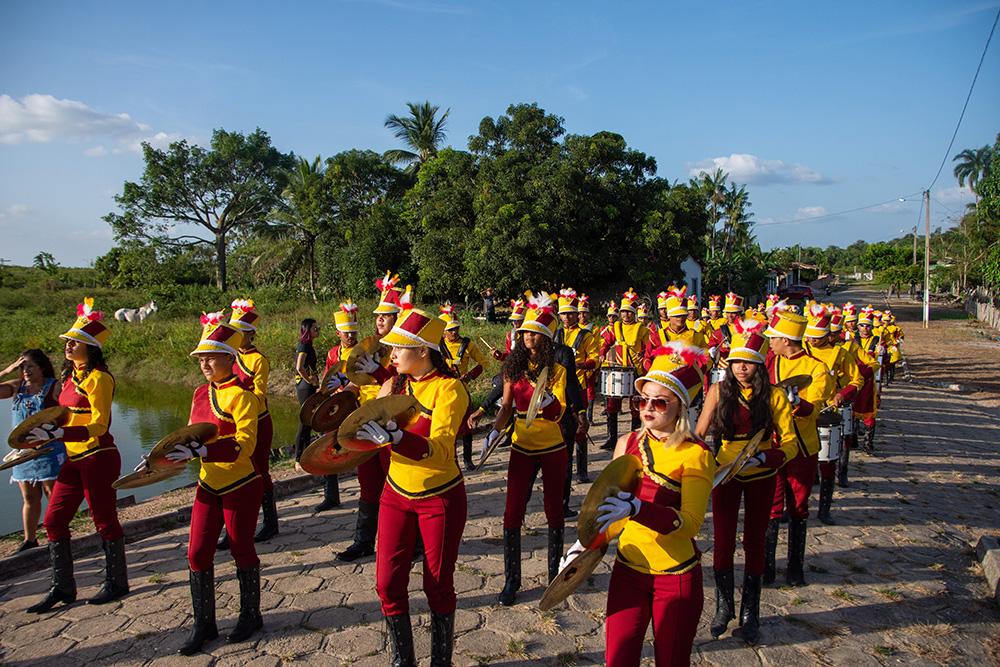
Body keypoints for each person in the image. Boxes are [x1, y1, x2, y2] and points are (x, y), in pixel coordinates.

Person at [572, 348, 715, 666]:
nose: (647, 408)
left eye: (660, 401)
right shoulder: (627, 443)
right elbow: (605, 507)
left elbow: (691, 524)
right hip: (628, 570)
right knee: (618, 659)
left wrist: (638, 509)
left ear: (680, 408)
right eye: (641, 400)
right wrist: (582, 546)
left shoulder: (696, 454)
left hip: (675, 578)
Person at [352, 306, 469, 667]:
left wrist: (399, 437)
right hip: (395, 494)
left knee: (436, 585)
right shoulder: (393, 384)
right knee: (387, 583)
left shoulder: (450, 390)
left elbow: (441, 451)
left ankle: (441, 662)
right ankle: (403, 660)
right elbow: (360, 427)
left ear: (422, 351)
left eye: (399, 348)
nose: (392, 354)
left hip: (440, 498)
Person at [25, 297, 129, 613]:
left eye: (76, 342)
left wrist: (60, 433)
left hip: (99, 456)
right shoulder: (71, 378)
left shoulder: (100, 378)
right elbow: (64, 415)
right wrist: (41, 433)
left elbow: (98, 424)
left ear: (91, 348)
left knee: (104, 519)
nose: (69, 346)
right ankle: (63, 586)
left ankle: (116, 581)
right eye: (69, 341)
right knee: (53, 519)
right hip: (73, 458)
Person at [695, 322, 797, 644]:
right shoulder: (717, 391)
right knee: (722, 541)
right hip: (726, 475)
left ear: (759, 364)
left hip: (761, 475)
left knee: (754, 541)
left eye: (749, 361)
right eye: (737, 361)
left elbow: (791, 441)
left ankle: (751, 613)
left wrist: (768, 458)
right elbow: (699, 435)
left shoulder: (775, 396)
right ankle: (723, 607)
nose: (741, 367)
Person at [168, 312, 263, 654]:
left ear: (229, 357)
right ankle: (204, 625)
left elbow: (245, 446)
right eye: (201, 358)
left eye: (211, 357)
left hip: (241, 484)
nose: (205, 363)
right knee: (196, 552)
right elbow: (191, 434)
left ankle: (251, 615)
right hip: (208, 485)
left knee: (241, 549)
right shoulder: (198, 394)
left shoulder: (243, 396)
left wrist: (205, 450)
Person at [486, 292, 569, 606]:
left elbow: (559, 411)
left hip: (552, 447)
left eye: (535, 332)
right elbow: (506, 406)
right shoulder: (512, 367)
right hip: (521, 447)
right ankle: (512, 580)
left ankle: (553, 576)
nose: (528, 336)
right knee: (512, 512)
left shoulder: (557, 370)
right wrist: (492, 433)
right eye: (524, 332)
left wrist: (549, 402)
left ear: (546, 338)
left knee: (554, 510)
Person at [763, 307, 833, 587]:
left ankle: (795, 568)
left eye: (774, 338)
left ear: (787, 340)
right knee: (771, 506)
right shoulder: (770, 362)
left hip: (802, 447)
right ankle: (767, 568)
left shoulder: (816, 368)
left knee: (799, 506)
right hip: (773, 443)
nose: (770, 342)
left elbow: (814, 409)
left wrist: (795, 402)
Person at [337, 272, 404, 562]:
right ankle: (363, 541)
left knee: (396, 484)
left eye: (386, 316)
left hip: (391, 423)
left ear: (397, 319)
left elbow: (399, 384)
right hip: (366, 424)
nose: (379, 320)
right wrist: (343, 389)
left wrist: (379, 371)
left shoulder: (404, 349)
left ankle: (407, 543)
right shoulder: (368, 348)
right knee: (368, 483)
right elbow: (359, 382)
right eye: (377, 315)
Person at [1, 350, 66, 552]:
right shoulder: (16, 387)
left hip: (48, 448)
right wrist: (6, 370)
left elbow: (69, 410)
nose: (25, 371)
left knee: (51, 494)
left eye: (30, 366)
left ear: (42, 367)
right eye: (22, 367)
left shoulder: (53, 386)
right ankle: (30, 540)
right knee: (29, 497)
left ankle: (58, 535)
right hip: (23, 453)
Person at [802, 304, 863, 524]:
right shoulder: (802, 350)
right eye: (809, 336)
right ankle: (797, 506)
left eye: (816, 337)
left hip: (829, 410)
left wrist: (843, 393)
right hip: (803, 410)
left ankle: (824, 507)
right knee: (801, 462)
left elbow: (858, 379)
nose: (811, 340)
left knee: (828, 461)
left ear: (828, 335)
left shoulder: (841, 353)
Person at [227, 299, 279, 543]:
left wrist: (239, 398)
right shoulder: (227, 357)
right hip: (231, 422)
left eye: (239, 332)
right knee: (231, 472)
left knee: (260, 471)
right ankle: (233, 527)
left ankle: (270, 522)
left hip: (257, 420)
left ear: (249, 334)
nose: (235, 336)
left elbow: (259, 395)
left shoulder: (259, 360)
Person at [554, 289, 599, 483]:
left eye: (571, 313)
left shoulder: (586, 336)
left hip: (578, 385)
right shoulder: (554, 334)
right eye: (563, 313)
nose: (567, 317)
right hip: (556, 388)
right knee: (557, 430)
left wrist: (578, 364)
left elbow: (595, 359)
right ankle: (559, 469)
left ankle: (581, 470)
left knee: (580, 429)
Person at [438, 303, 487, 471]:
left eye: (456, 329)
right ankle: (446, 458)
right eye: (451, 330)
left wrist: (470, 376)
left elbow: (483, 362)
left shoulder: (467, 344)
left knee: (467, 425)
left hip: (462, 389)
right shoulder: (436, 347)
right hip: (443, 391)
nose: (455, 332)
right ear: (443, 332)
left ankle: (467, 459)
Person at [599, 289, 649, 450]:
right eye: (623, 312)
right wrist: (602, 354)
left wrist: (644, 356)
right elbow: (606, 342)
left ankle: (634, 439)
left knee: (635, 406)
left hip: (636, 370)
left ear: (634, 313)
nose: (626, 315)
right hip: (618, 368)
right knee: (612, 404)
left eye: (629, 312)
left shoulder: (642, 329)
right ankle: (612, 438)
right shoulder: (616, 327)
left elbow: (649, 348)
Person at [846, 305, 882, 454]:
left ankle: (868, 443)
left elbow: (878, 362)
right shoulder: (852, 340)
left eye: (868, 326)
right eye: (862, 325)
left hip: (868, 382)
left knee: (868, 411)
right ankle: (853, 438)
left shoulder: (877, 340)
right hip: (853, 379)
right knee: (852, 409)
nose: (865, 328)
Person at [645, 286, 708, 365]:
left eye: (683, 315)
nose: (680, 318)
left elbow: (706, 360)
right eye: (676, 316)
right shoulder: (656, 337)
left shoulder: (697, 337)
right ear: (669, 316)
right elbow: (647, 359)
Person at [293, 318, 321, 465]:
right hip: (305, 386)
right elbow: (299, 367)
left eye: (318, 328)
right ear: (307, 330)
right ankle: (298, 457)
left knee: (309, 420)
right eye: (315, 328)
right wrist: (310, 380)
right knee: (304, 420)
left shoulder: (307, 345)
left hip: (307, 385)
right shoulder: (304, 346)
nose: (318, 330)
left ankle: (305, 454)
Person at [492, 298, 527, 363]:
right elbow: (510, 355)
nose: (514, 323)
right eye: (513, 320)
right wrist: (501, 356)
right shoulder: (510, 335)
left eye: (517, 320)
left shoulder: (530, 336)